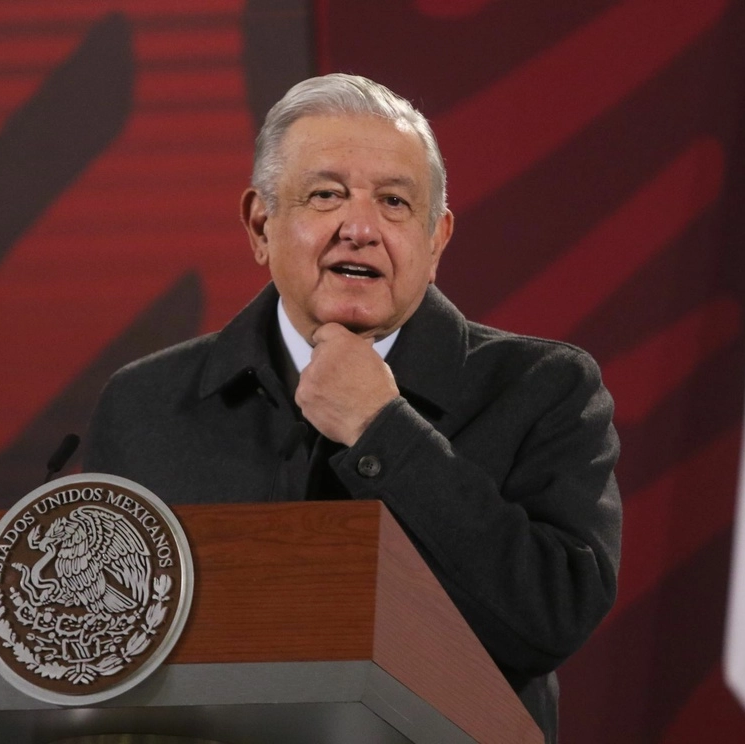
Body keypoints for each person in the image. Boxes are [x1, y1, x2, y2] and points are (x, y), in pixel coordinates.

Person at [84, 73, 621, 742]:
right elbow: (82, 639)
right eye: (326, 194)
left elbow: (549, 618)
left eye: (394, 202)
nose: (360, 228)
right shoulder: (146, 403)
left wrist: (383, 433)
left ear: (436, 240)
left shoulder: (543, 389)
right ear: (260, 224)